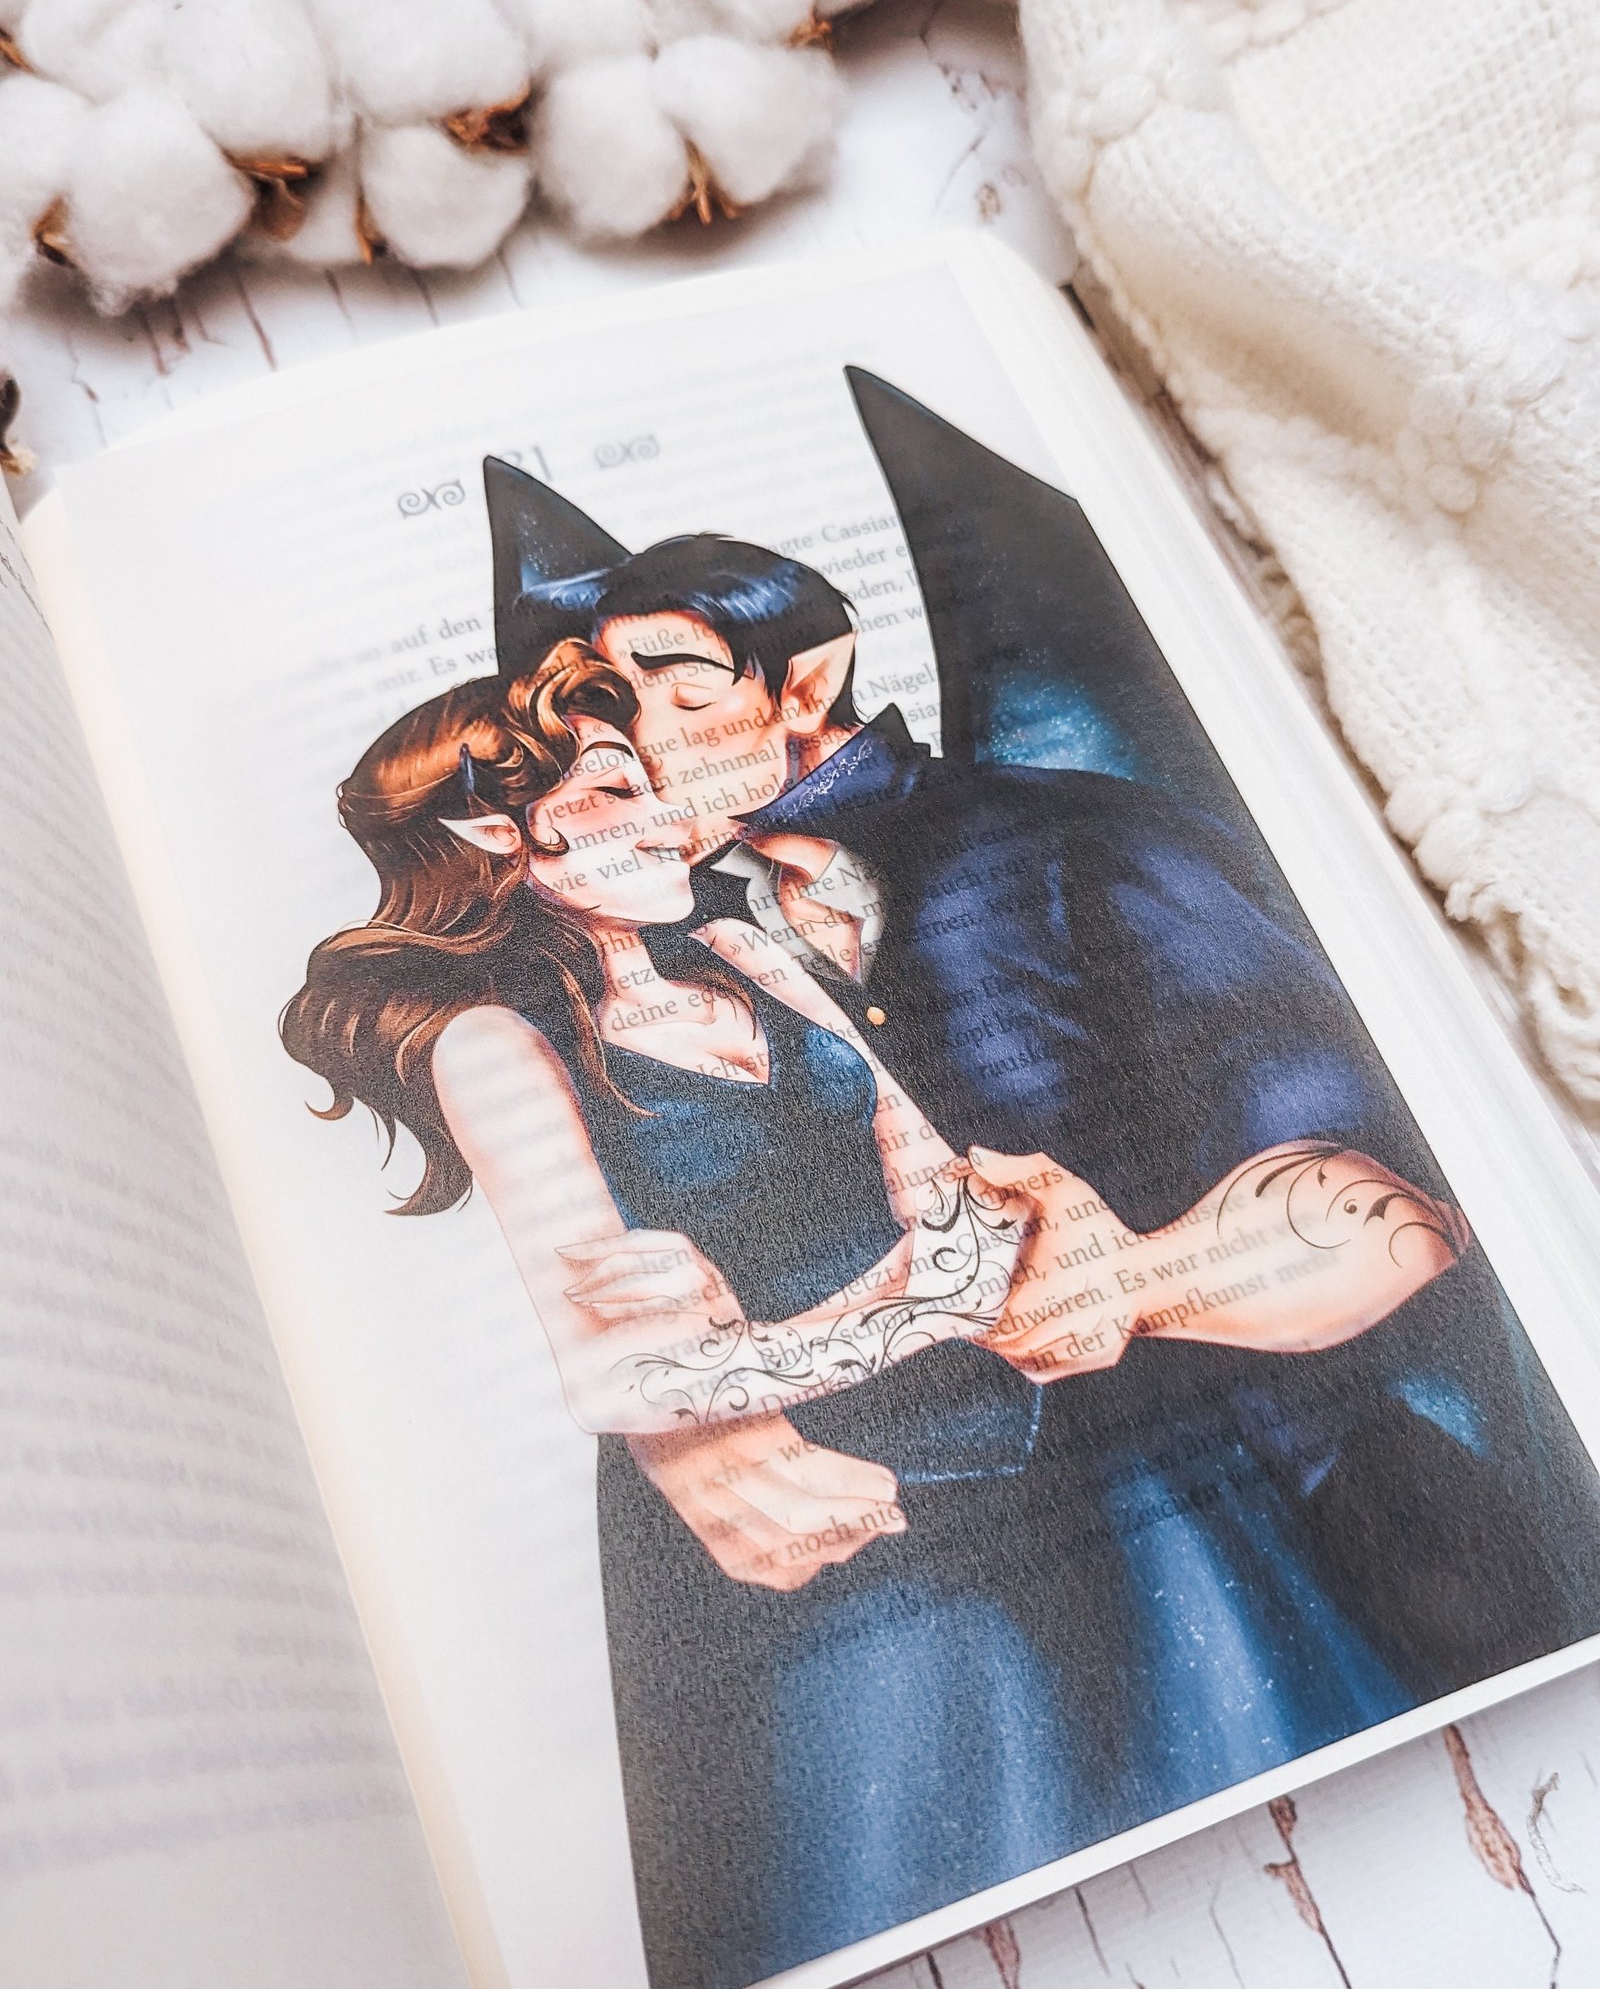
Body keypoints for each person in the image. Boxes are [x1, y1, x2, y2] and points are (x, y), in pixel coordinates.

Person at [481, 379, 1600, 1888]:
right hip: (886, 1630)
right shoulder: (644, 956)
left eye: (672, 685)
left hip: (1243, 1599)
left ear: (807, 680)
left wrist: (1135, 1280)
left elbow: (1399, 1213)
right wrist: (694, 1418)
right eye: (601, 710)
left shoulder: (1075, 846)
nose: (631, 742)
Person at [283, 648, 1469, 1988]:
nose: (666, 817)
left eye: (651, 783)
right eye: (614, 791)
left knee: (1266, 1762)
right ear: (495, 838)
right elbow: (615, 1381)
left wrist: (875, 1300)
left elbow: (939, 1188)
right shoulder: (495, 1047)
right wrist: (895, 1313)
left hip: (1018, 1428)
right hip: (832, 1510)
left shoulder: (742, 950)